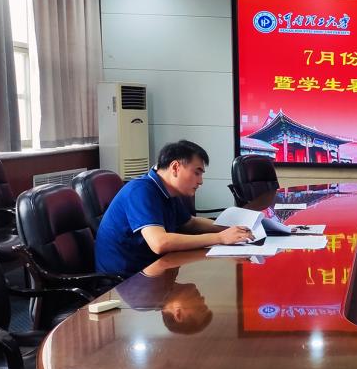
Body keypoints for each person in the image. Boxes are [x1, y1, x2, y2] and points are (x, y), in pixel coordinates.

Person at [95, 140, 253, 277]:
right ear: (175, 167)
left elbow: (190, 223)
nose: (201, 181)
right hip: (124, 281)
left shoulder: (167, 191)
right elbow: (160, 243)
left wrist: (234, 229)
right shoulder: (141, 191)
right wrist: (220, 238)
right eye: (197, 173)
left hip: (152, 270)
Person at [115, 251, 214, 334]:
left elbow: (162, 261)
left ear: (178, 314)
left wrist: (213, 253)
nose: (203, 299)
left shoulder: (144, 301)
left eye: (200, 307)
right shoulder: (165, 289)